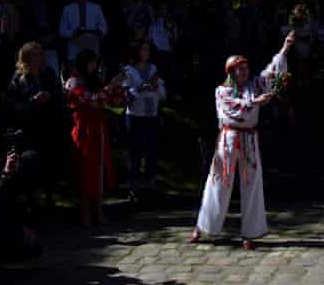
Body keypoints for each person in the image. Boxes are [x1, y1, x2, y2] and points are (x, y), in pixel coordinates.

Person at [189, 31, 294, 250]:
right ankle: (203, 226)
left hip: (249, 139)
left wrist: (285, 48)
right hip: (228, 139)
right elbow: (232, 109)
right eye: (240, 68)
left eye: (246, 67)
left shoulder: (254, 85)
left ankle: (251, 232)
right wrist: (255, 103)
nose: (245, 71)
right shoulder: (222, 91)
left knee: (252, 183)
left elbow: (271, 73)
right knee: (218, 181)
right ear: (231, 72)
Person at [65, 49, 126, 227]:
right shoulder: (73, 81)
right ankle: (85, 215)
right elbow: (90, 100)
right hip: (83, 130)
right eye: (91, 62)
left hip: (98, 128)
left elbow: (111, 101)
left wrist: (118, 85)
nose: (94, 66)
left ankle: (98, 212)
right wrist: (109, 87)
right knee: (85, 170)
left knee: (99, 169)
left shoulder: (95, 81)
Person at [7, 42, 64, 209]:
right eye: (34, 55)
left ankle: (49, 199)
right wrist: (33, 101)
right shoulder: (18, 79)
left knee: (50, 163)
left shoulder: (49, 74)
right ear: (25, 58)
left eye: (40, 54)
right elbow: (14, 108)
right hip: (29, 129)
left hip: (49, 126)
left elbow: (58, 97)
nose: (38, 58)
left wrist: (49, 97)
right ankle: (31, 201)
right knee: (32, 164)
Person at [122, 40, 167, 196]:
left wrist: (155, 87)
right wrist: (141, 88)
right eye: (143, 50)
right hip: (135, 116)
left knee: (152, 151)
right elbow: (126, 95)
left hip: (151, 115)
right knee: (135, 152)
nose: (145, 53)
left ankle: (149, 185)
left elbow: (162, 94)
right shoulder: (128, 70)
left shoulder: (153, 69)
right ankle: (133, 186)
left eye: (147, 50)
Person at [59, 0, 108, 67]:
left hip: (92, 44)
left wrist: (100, 31)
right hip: (75, 45)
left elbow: (103, 26)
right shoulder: (68, 9)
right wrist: (72, 33)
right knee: (75, 72)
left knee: (92, 71)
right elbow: (62, 30)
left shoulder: (96, 7)